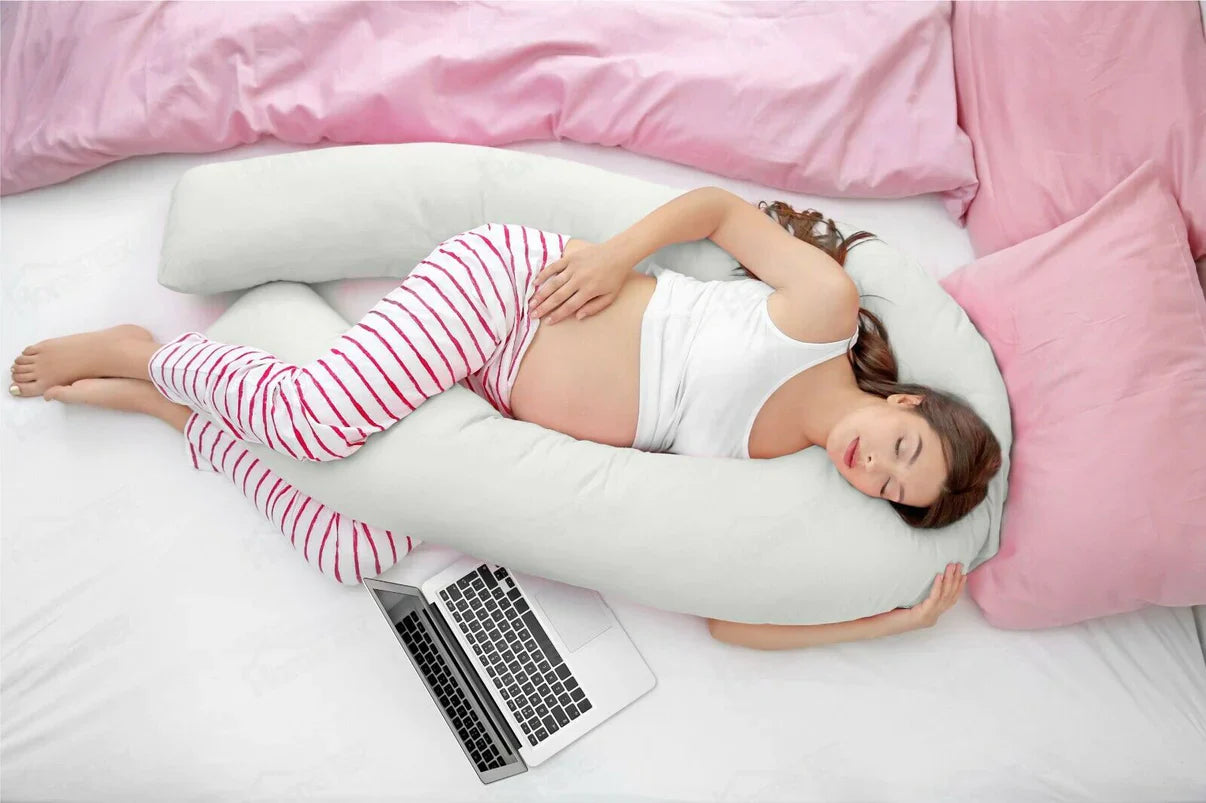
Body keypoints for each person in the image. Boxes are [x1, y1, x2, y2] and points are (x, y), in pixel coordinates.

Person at [9, 186, 999, 649]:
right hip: (509, 296)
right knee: (316, 425)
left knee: (357, 547)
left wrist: (885, 621)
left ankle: (173, 412)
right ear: (903, 399)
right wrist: (617, 257)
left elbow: (727, 614)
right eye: (902, 446)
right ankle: (149, 354)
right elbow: (719, 212)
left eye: (889, 488)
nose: (874, 467)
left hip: (488, 393)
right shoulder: (824, 315)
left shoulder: (777, 468)